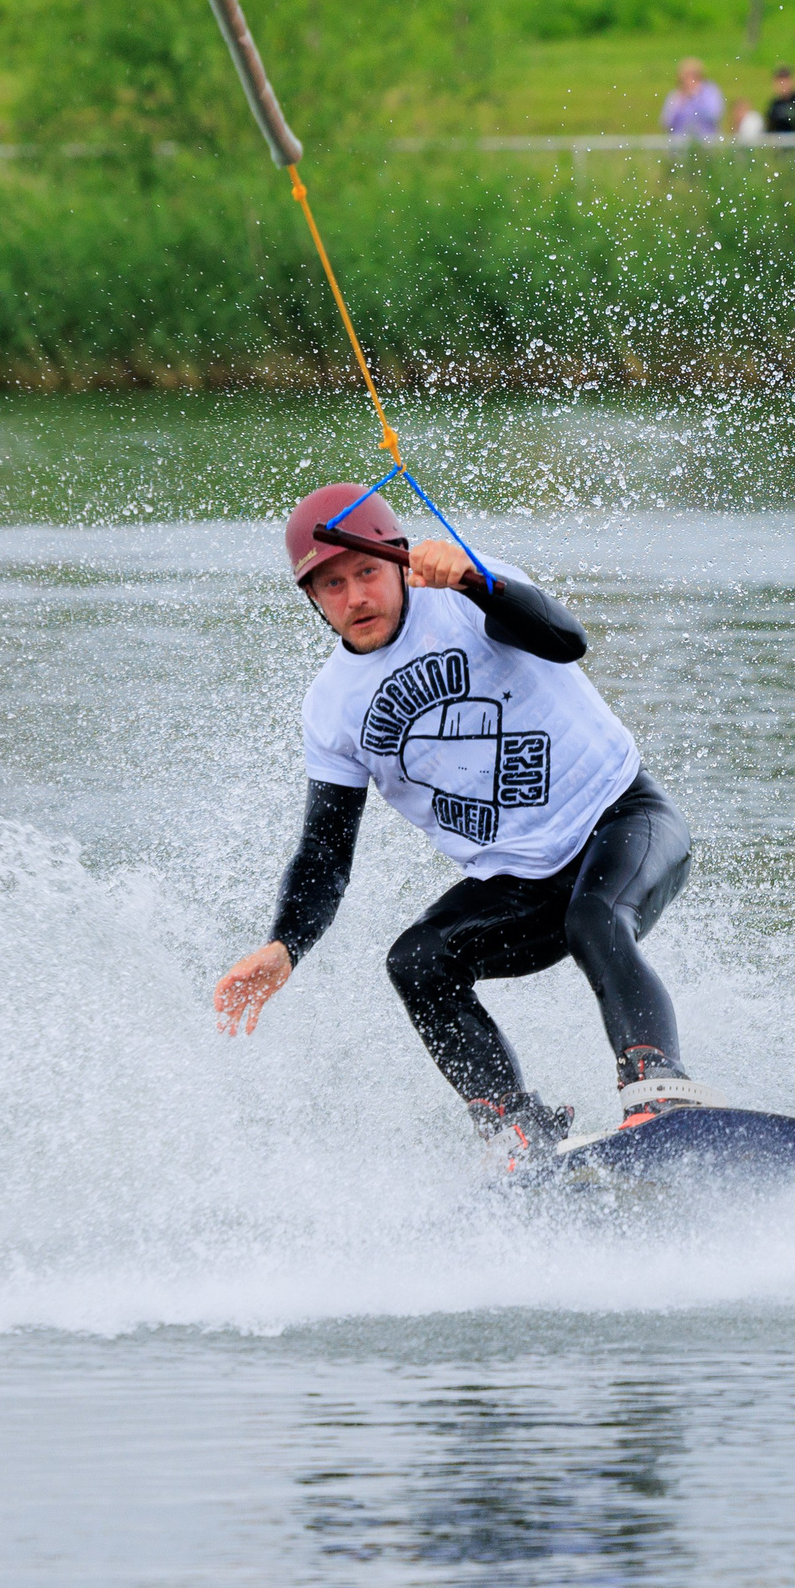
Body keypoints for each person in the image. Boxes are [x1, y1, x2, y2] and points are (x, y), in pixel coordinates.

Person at [213, 486, 704, 1166]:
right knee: (417, 961)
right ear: (313, 599)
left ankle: (659, 1092)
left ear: (399, 562)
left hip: (623, 818)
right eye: (331, 585)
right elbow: (326, 852)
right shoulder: (332, 710)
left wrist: (479, 582)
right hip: (520, 883)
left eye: (366, 573)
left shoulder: (468, 596)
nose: (354, 597)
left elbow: (566, 641)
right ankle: (517, 1130)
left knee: (596, 919)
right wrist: (285, 944)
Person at [660, 58, 722, 140]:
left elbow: (715, 116)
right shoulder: (675, 95)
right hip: (680, 144)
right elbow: (665, 122)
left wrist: (695, 98)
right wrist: (681, 102)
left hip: (706, 142)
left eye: (692, 77)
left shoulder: (710, 92)